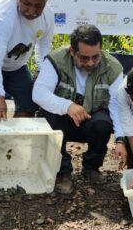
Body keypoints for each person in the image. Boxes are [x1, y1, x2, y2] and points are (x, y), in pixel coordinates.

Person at [32, 25, 124, 194]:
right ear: (72, 51)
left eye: (95, 57)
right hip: (62, 118)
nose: (90, 63)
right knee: (48, 118)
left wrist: (121, 139)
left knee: (103, 123)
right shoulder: (55, 60)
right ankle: (63, 172)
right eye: (84, 58)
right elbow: (38, 93)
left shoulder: (113, 67)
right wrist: (67, 106)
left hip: (91, 118)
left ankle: (91, 167)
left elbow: (117, 106)